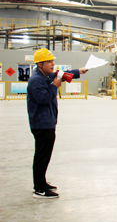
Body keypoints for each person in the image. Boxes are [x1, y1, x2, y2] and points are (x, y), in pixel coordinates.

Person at [27, 48, 87, 198]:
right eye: (49, 62)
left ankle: (42, 182)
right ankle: (39, 188)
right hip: (41, 124)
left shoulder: (46, 75)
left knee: (45, 156)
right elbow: (44, 99)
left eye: (53, 61)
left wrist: (78, 71)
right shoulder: (36, 80)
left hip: (47, 122)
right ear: (40, 64)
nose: (53, 64)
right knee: (42, 156)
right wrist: (54, 86)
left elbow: (62, 75)